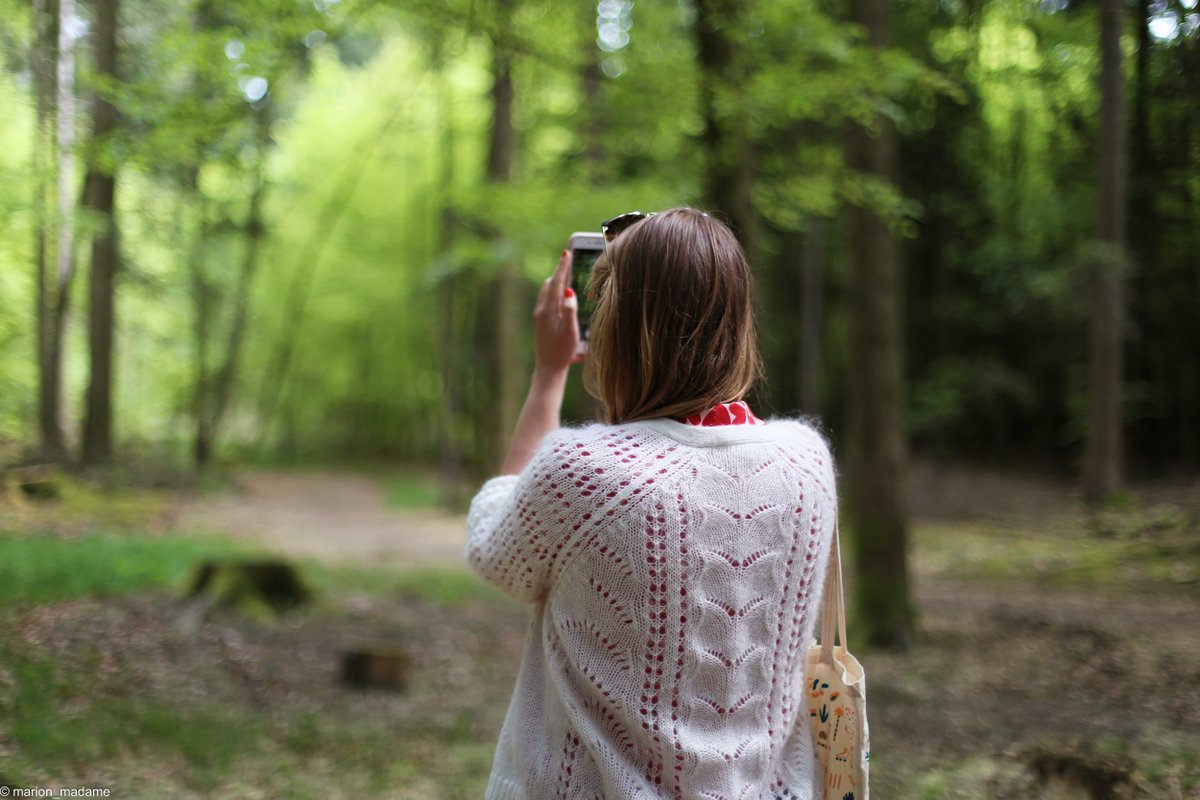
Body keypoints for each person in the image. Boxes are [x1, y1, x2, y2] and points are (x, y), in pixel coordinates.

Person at [466, 207, 838, 800]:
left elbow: (493, 548)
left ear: (617, 329)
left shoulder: (586, 474)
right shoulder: (806, 463)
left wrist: (547, 375)